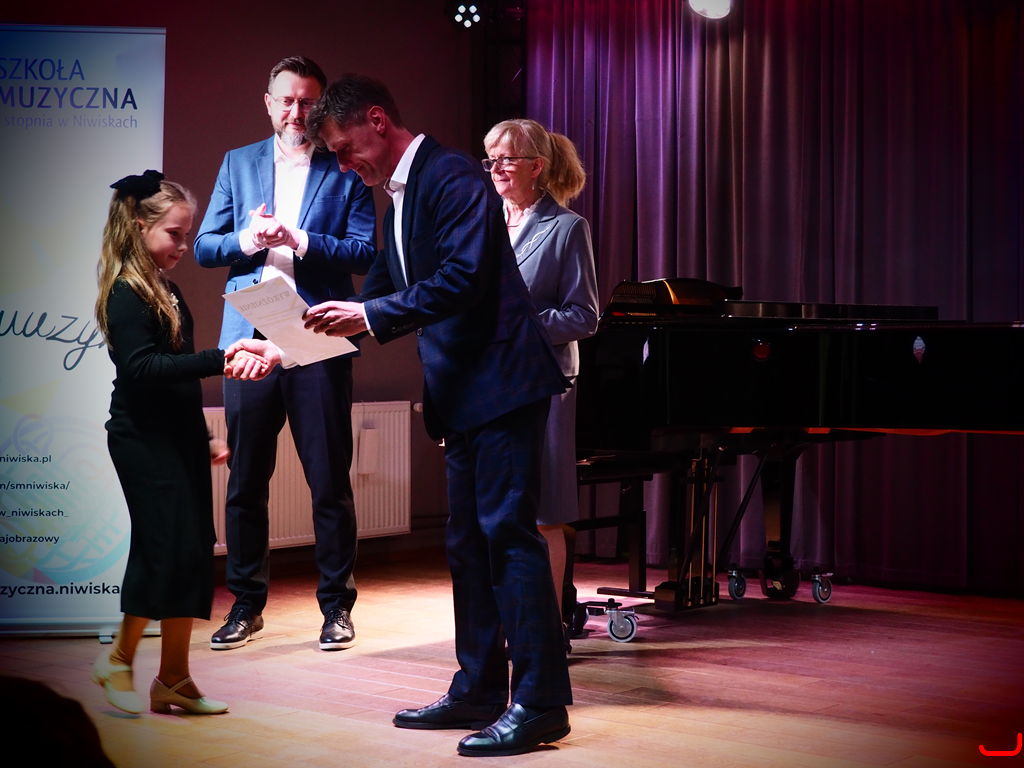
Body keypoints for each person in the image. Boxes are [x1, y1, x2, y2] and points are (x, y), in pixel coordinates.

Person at [284, 73, 573, 757]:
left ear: (377, 121)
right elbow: (382, 292)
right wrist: (289, 345)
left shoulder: (451, 176)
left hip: (502, 384)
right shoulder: (399, 195)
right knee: (467, 545)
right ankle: (478, 688)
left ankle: (540, 704)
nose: (343, 164)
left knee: (509, 539)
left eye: (344, 147)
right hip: (466, 394)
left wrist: (369, 315)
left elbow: (462, 278)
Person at [194, 56, 376, 652]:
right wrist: (250, 238)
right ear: (268, 103)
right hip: (249, 340)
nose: (297, 112)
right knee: (246, 480)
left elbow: (365, 252)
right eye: (287, 100)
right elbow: (205, 247)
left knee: (329, 481)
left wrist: (300, 239)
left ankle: (337, 607)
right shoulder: (237, 163)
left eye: (307, 101)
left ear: (320, 105)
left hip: (317, 337)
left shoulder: (344, 164)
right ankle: (246, 606)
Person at [91, 170, 276, 715]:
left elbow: (176, 380)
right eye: (174, 233)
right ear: (139, 226)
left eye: (187, 234)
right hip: (142, 439)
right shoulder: (125, 292)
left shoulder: (166, 290)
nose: (183, 245)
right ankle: (118, 659)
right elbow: (143, 369)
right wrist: (221, 358)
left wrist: (204, 436)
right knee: (163, 548)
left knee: (192, 550)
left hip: (177, 437)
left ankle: (173, 678)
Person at [482, 119, 599, 634]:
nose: (497, 168)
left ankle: (547, 632)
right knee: (496, 513)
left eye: (507, 159)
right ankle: (506, 625)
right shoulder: (484, 222)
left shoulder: (568, 227)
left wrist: (516, 327)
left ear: (537, 166)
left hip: (545, 383)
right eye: (491, 159)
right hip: (488, 384)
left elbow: (584, 316)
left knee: (545, 511)